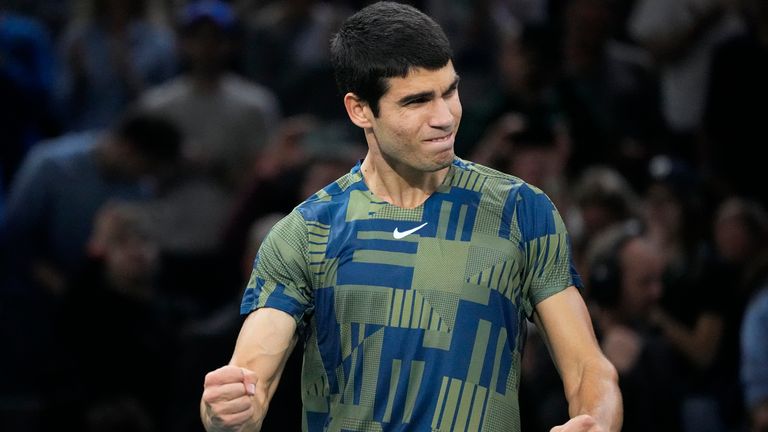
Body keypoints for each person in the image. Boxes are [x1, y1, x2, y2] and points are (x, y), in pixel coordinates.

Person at [200, 2, 622, 431]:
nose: (444, 118)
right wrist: (229, 410)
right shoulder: (306, 233)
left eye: (450, 92)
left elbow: (590, 369)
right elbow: (250, 376)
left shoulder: (521, 211)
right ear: (360, 109)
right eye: (417, 101)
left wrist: (596, 422)